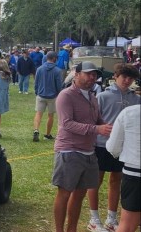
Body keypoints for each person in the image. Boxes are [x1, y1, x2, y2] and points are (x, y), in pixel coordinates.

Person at [52, 61, 113, 232]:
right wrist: (97, 129)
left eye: (94, 75)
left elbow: (97, 119)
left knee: (80, 194)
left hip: (89, 151)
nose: (92, 78)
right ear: (76, 74)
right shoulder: (66, 95)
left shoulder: (93, 97)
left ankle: (72, 229)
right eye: (88, 74)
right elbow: (66, 124)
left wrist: (108, 126)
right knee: (64, 193)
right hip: (69, 151)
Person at [86, 64, 141, 231]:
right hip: (102, 145)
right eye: (124, 76)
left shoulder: (136, 99)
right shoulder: (102, 96)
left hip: (123, 148)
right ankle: (94, 218)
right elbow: (93, 120)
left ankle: (112, 218)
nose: (127, 80)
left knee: (116, 181)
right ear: (115, 76)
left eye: (131, 78)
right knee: (96, 180)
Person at [106, 104, 140, 232]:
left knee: (127, 224)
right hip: (134, 172)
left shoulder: (129, 113)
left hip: (134, 173)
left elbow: (113, 147)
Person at [33, 51, 64, 142]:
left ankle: (36, 130)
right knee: (50, 116)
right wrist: (59, 93)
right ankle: (47, 134)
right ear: (54, 58)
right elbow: (59, 85)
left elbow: (36, 83)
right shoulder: (57, 71)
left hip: (41, 94)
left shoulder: (39, 69)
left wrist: (37, 92)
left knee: (38, 114)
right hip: (52, 96)